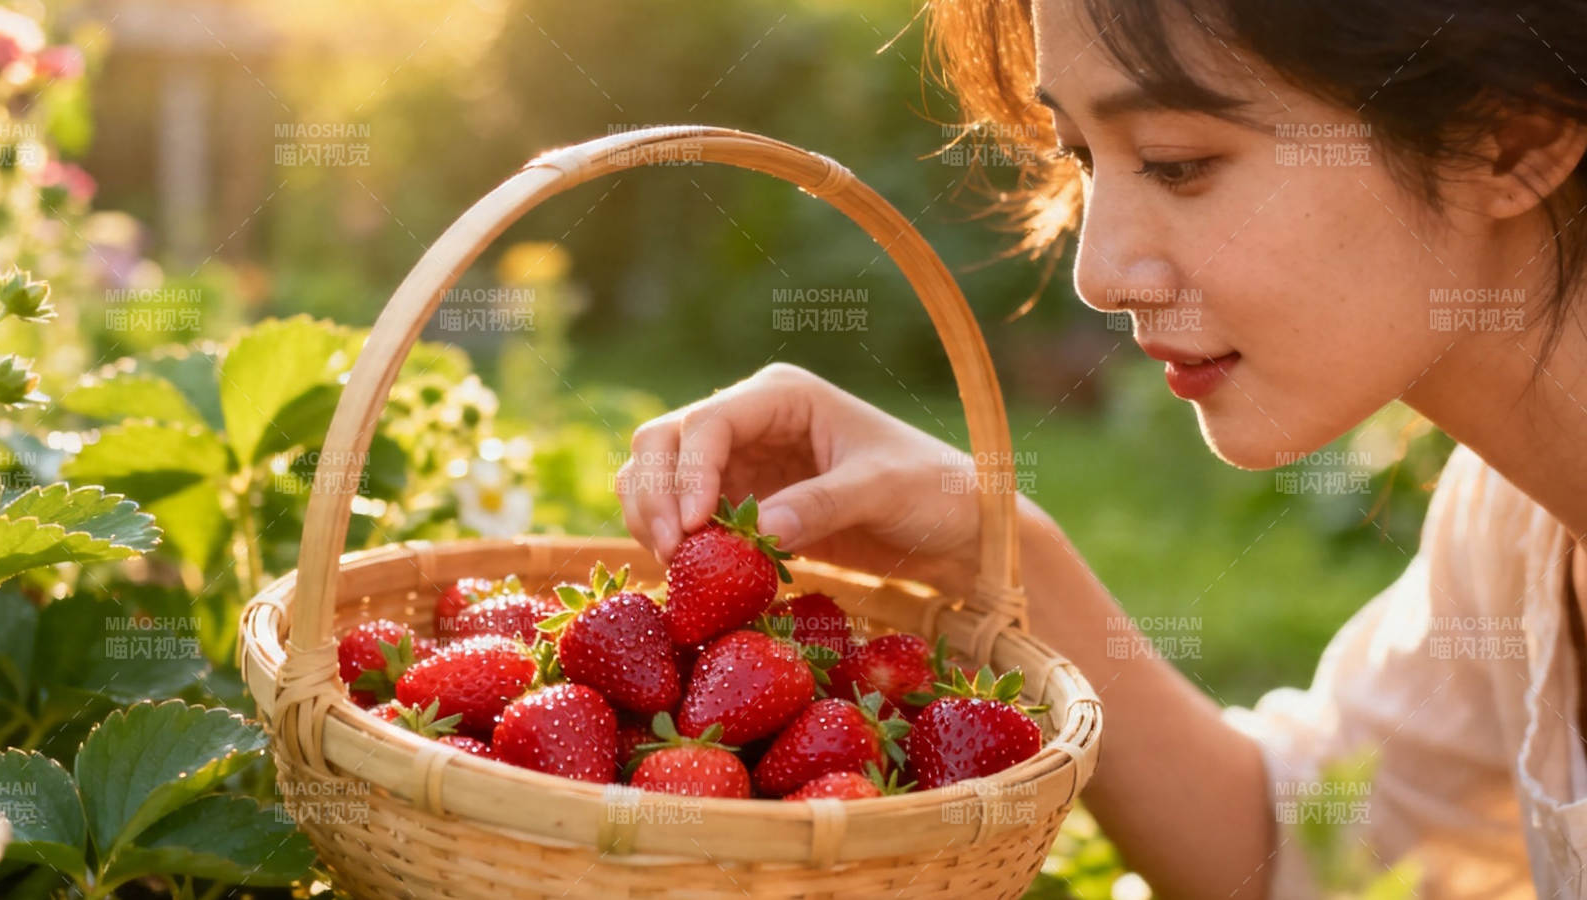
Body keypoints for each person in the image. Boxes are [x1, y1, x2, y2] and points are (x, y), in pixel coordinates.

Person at [614, 1, 1587, 896]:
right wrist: (990, 542)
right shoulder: (1511, 525)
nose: (1099, 274)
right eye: (1081, 154)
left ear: (1509, 139)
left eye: (1175, 162)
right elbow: (1292, 841)